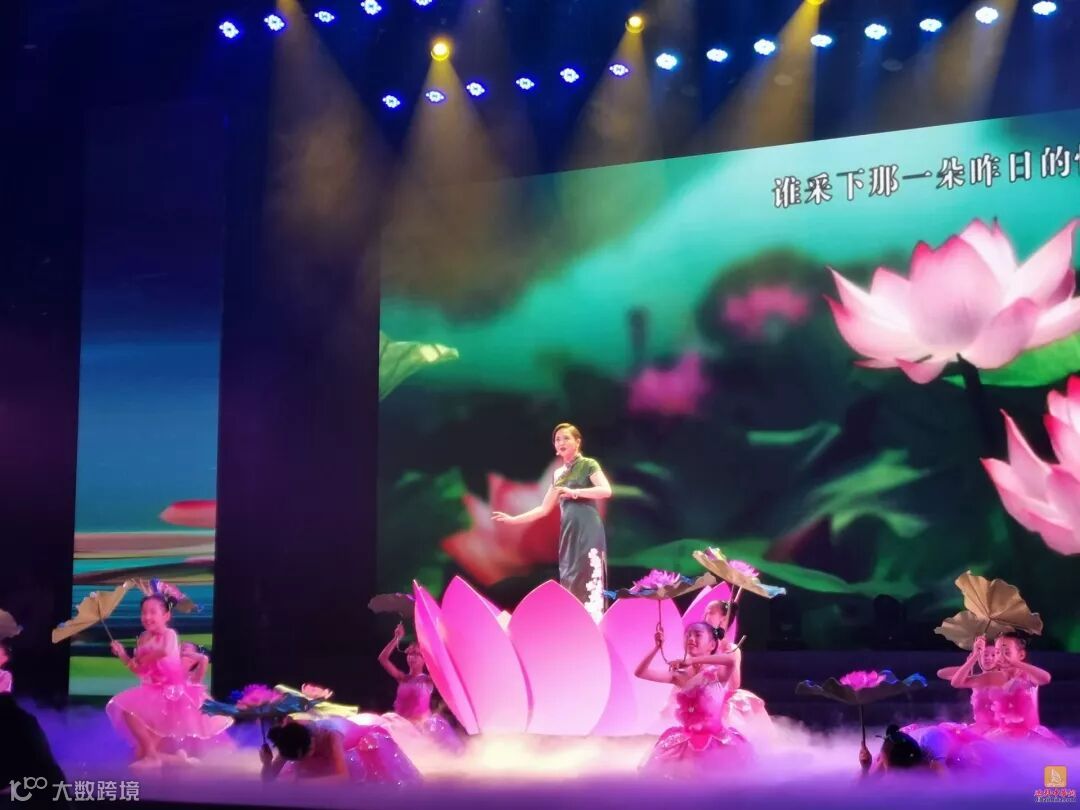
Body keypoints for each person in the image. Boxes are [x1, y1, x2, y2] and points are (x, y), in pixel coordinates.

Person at [492, 423, 612, 613]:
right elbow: (543, 509)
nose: (561, 442)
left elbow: (606, 491)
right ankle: (573, 617)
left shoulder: (589, 465)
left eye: (566, 438)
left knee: (589, 573)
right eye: (557, 439)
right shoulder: (558, 474)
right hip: (568, 529)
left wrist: (575, 492)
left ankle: (593, 618)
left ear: (577, 442)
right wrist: (513, 519)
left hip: (588, 526)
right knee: (569, 573)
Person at [106, 589, 232, 766]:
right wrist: (122, 654)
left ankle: (157, 757)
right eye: (144, 612)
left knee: (136, 730)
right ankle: (173, 759)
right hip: (152, 692)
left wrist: (142, 657)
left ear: (166, 616)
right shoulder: (143, 637)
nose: (147, 617)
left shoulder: (169, 634)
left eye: (152, 612)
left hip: (171, 697)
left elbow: (163, 651)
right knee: (137, 742)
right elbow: (139, 670)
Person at [903, 633, 1063, 769]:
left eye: (1006, 651)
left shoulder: (1027, 675)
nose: (1000, 656)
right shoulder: (992, 676)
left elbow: (1045, 678)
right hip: (999, 733)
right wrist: (973, 657)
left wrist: (1015, 664)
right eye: (998, 652)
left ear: (1021, 655)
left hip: (1027, 734)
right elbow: (956, 682)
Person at [635, 622, 751, 776]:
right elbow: (641, 672)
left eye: (697, 635)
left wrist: (692, 661)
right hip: (685, 742)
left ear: (712, 644)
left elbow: (731, 661)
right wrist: (656, 648)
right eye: (688, 635)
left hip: (716, 742)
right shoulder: (679, 675)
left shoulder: (718, 673)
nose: (690, 638)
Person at [691, 599, 774, 743]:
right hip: (698, 702)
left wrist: (728, 660)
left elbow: (735, 684)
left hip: (722, 704)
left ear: (723, 619)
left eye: (710, 612)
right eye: (705, 612)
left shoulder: (732, 649)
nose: (704, 616)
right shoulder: (698, 646)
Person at [377, 623, 463, 755]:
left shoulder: (429, 680)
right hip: (401, 728)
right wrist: (396, 638)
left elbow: (449, 669)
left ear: (424, 659)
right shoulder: (402, 678)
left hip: (421, 731)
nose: (412, 657)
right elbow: (383, 659)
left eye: (417, 654)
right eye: (410, 654)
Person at [261, 715, 421, 785]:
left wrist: (301, 784)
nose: (307, 758)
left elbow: (343, 778)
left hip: (362, 740)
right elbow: (268, 780)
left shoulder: (331, 735)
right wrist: (267, 763)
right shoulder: (292, 738)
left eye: (309, 751)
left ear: (312, 740)